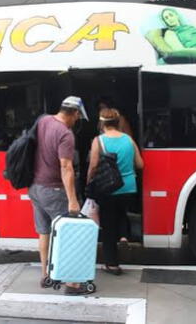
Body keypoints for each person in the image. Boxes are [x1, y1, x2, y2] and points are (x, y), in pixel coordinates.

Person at [28, 95, 92, 295]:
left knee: (44, 232)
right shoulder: (66, 134)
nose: (77, 121)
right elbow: (66, 167)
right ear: (73, 113)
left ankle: (45, 275)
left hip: (35, 187)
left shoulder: (43, 121)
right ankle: (73, 284)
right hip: (54, 190)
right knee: (68, 233)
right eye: (78, 117)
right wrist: (73, 200)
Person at [86, 108, 144, 275]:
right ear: (118, 122)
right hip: (128, 188)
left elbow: (93, 165)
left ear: (101, 123)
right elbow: (140, 164)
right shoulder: (129, 140)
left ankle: (112, 264)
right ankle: (124, 236)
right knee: (121, 214)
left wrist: (89, 181)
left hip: (108, 189)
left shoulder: (99, 141)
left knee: (108, 226)